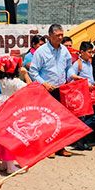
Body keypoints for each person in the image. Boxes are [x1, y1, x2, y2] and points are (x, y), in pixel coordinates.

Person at [30, 24, 73, 157]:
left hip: (61, 89)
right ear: (50, 36)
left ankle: (61, 147)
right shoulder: (41, 52)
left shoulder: (65, 50)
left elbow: (69, 67)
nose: (60, 38)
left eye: (61, 35)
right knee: (47, 120)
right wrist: (44, 83)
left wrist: (71, 76)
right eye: (57, 35)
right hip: (46, 90)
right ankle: (48, 148)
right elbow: (33, 71)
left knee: (61, 119)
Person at [0, 56, 31, 173]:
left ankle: (4, 162)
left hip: (1, 105)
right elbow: (30, 87)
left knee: (3, 134)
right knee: (12, 136)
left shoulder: (0, 78)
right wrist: (26, 74)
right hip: (11, 108)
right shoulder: (16, 82)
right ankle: (10, 166)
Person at [67, 41, 95, 150]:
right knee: (86, 117)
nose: (91, 54)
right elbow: (70, 76)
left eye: (91, 52)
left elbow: (90, 78)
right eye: (89, 52)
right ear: (82, 52)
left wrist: (94, 83)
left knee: (93, 117)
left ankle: (80, 139)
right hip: (81, 96)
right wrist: (82, 81)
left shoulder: (89, 63)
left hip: (90, 94)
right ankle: (80, 141)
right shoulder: (78, 64)